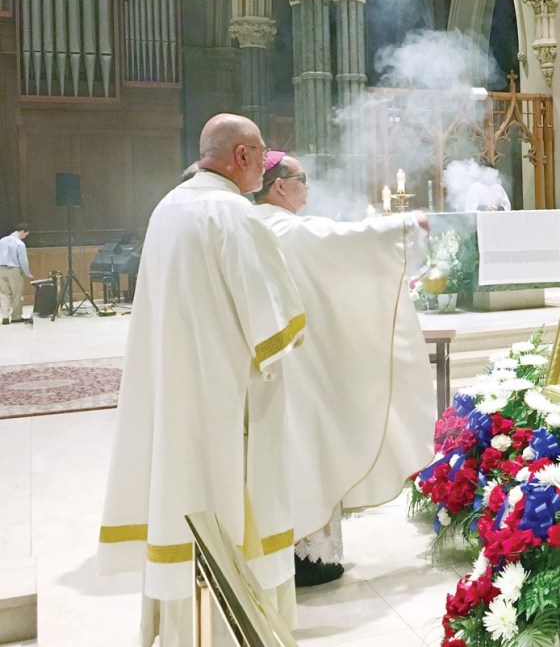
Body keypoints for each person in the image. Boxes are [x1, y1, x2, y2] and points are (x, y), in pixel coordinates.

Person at [98, 113, 306, 646]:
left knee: (180, 500)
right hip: (225, 408)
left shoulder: (167, 207)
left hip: (175, 397)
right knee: (229, 512)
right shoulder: (233, 214)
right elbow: (276, 329)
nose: (264, 163)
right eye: (260, 151)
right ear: (241, 155)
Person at [252, 152, 435, 587]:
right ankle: (306, 558)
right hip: (298, 364)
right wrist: (406, 226)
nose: (308, 186)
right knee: (307, 448)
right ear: (280, 185)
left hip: (275, 361)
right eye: (302, 178)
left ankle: (293, 551)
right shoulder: (284, 229)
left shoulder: (254, 225)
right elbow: (343, 240)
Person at [0, 223, 32, 324]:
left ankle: (5, 316)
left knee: (4, 294)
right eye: (25, 235)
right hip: (14, 269)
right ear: (22, 231)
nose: (25, 237)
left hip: (1, 269)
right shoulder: (19, 243)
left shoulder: (2, 241)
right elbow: (23, 261)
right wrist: (27, 273)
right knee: (16, 294)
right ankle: (16, 316)